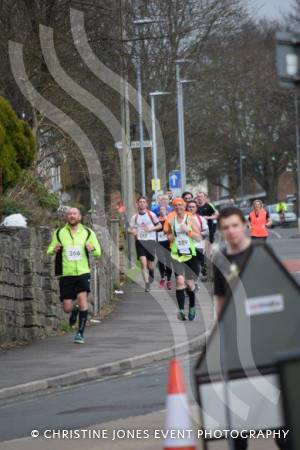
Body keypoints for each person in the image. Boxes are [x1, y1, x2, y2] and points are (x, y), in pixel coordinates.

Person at [213, 207, 288, 450]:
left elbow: (280, 295)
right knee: (239, 414)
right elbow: (220, 303)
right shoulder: (221, 261)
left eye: (234, 225)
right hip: (239, 345)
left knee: (280, 416)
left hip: (268, 342)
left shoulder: (262, 253)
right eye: (225, 228)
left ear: (244, 224)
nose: (231, 231)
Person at [47, 207, 101, 344]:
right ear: (67, 217)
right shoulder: (59, 233)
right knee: (67, 308)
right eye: (70, 214)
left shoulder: (88, 233)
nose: (72, 216)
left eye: (74, 214)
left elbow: (98, 252)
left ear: (79, 217)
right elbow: (49, 250)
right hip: (66, 274)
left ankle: (80, 333)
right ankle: (74, 310)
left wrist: (92, 249)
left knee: (83, 300)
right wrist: (54, 249)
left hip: (83, 272)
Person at [164, 197, 202, 321]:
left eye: (180, 205)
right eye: (176, 205)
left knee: (190, 284)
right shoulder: (171, 221)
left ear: (184, 206)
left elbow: (199, 238)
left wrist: (188, 232)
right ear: (173, 207)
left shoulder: (190, 219)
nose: (178, 207)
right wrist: (171, 238)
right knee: (180, 281)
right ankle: (180, 311)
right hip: (177, 255)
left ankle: (191, 305)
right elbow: (169, 234)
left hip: (190, 255)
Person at [128, 196, 162, 292]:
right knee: (143, 263)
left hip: (151, 240)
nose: (142, 203)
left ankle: (151, 272)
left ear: (147, 204)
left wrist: (150, 229)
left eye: (144, 202)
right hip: (140, 241)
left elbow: (159, 225)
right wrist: (132, 232)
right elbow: (129, 228)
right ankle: (147, 284)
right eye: (140, 202)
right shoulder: (135, 217)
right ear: (137, 204)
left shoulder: (151, 215)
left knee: (150, 264)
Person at [186, 200, 209, 281]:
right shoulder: (183, 218)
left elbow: (206, 231)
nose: (191, 208)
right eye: (189, 207)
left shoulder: (200, 219)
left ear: (196, 208)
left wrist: (198, 234)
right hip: (186, 245)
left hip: (198, 245)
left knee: (196, 264)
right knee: (188, 266)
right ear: (187, 208)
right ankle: (189, 282)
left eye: (193, 207)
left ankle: (194, 281)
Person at [156, 206, 172, 290]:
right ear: (159, 211)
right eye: (160, 209)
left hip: (168, 242)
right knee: (160, 261)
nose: (162, 211)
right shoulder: (156, 220)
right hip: (159, 242)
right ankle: (162, 278)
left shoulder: (169, 219)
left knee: (169, 261)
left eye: (163, 209)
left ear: (166, 211)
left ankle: (169, 280)